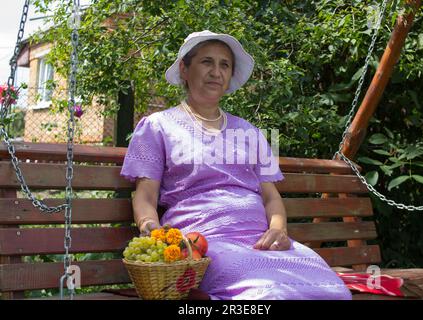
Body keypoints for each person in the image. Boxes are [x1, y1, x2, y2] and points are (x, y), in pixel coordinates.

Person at [120, 30, 352, 300]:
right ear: (184, 69)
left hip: (261, 242)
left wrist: (278, 230)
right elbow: (145, 194)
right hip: (205, 243)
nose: (216, 72)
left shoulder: (251, 132)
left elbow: (270, 197)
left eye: (224, 65)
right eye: (207, 62)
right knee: (268, 295)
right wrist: (153, 230)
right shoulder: (158, 126)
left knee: (335, 294)